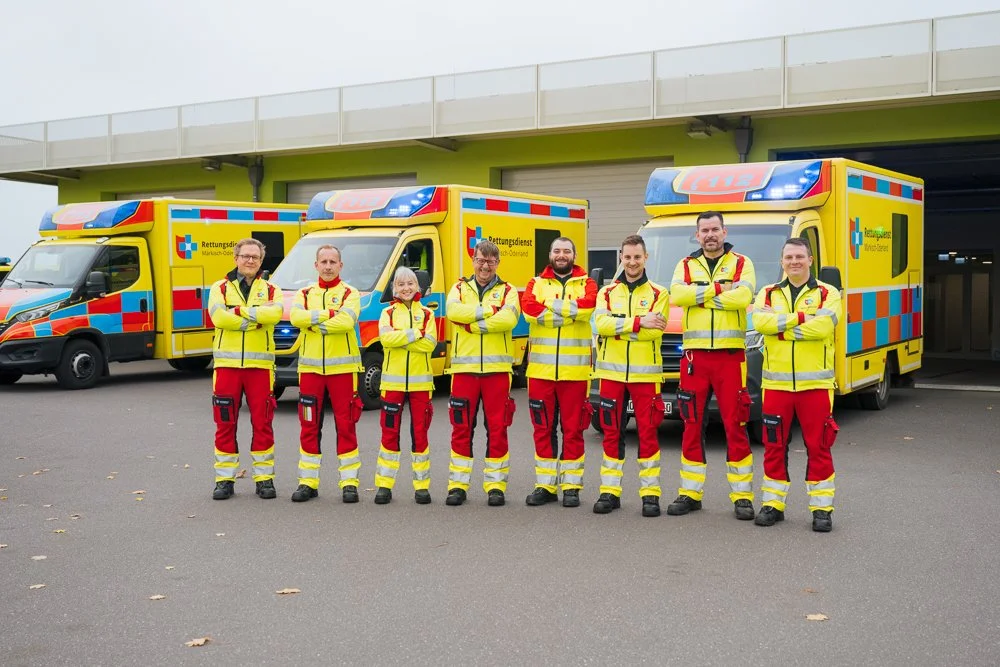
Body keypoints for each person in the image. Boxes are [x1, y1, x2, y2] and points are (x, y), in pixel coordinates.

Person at [667, 211, 758, 520]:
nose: (710, 234)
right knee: (691, 425)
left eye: (714, 229)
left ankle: (742, 497)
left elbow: (743, 297)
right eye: (704, 230)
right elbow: (677, 295)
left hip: (730, 358)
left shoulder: (742, 263)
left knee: (736, 425)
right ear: (697, 235)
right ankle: (690, 494)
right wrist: (721, 289)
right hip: (695, 359)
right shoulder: (685, 264)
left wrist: (700, 296)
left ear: (724, 231)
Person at [751, 238, 841, 532]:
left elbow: (824, 327)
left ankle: (821, 509)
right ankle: (773, 505)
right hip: (776, 387)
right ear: (782, 262)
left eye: (799, 256)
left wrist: (783, 329)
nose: (794, 262)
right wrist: (803, 318)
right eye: (788, 257)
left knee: (819, 446)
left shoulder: (828, 293)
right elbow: (762, 324)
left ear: (810, 260)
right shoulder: (768, 293)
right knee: (773, 445)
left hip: (815, 386)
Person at [592, 234, 670, 516]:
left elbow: (655, 330)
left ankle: (650, 495)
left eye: (637, 257)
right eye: (627, 257)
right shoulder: (607, 293)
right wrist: (638, 322)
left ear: (645, 258)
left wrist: (620, 328)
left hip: (645, 377)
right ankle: (609, 492)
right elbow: (601, 324)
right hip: (612, 375)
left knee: (648, 434)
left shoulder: (659, 293)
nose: (632, 262)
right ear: (621, 259)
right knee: (611, 433)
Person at [520, 237, 598, 508]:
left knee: (573, 430)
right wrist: (569, 312)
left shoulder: (588, 283)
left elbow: (588, 308)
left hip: (574, 374)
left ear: (574, 255)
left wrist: (550, 305)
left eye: (566, 251)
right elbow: (529, 310)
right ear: (550, 254)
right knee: (542, 428)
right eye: (557, 250)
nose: (561, 255)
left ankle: (571, 487)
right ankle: (545, 485)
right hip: (541, 372)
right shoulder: (535, 282)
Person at [445, 239, 521, 507]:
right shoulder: (458, 288)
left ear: (497, 263)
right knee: (461, 428)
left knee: (498, 429)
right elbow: (453, 310)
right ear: (473, 260)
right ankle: (457, 485)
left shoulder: (509, 291)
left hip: (497, 372)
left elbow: (509, 319)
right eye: (480, 260)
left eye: (490, 261)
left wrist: (473, 325)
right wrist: (489, 310)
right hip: (464, 371)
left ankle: (495, 486)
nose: (484, 266)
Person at [207, 238, 283, 500]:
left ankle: (264, 479)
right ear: (236, 258)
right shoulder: (219, 287)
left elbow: (274, 315)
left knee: (263, 423)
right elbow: (218, 317)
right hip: (227, 367)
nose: (250, 261)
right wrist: (252, 319)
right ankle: (224, 480)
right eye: (246, 256)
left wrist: (237, 312)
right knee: (225, 423)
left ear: (261, 262)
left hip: (260, 368)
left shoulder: (272, 289)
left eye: (255, 257)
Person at [288, 245, 364, 503]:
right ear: (316, 265)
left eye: (333, 261)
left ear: (341, 265)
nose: (328, 266)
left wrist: (314, 322)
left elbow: (346, 321)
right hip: (310, 372)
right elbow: (296, 317)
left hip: (342, 372)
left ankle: (349, 483)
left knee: (346, 425)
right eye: (324, 261)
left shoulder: (351, 293)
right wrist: (328, 315)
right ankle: (308, 482)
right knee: (309, 426)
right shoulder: (304, 293)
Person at [373, 267, 437, 505]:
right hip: (392, 384)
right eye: (401, 284)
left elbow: (430, 344)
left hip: (421, 385)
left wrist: (402, 337)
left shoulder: (428, 314)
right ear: (394, 289)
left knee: (420, 435)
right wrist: (415, 334)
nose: (406, 288)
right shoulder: (387, 313)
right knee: (389, 435)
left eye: (410, 283)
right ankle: (384, 486)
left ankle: (421, 487)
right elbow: (386, 340)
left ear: (417, 287)